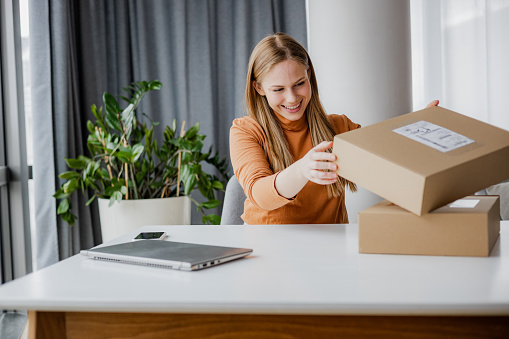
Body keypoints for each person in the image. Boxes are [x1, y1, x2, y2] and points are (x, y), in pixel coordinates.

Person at [230, 33, 438, 225]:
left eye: (299, 83)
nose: (292, 98)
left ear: (309, 75)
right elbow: (259, 194)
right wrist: (303, 169)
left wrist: (416, 131)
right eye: (278, 89)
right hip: (268, 248)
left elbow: (386, 154)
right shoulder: (246, 130)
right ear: (259, 88)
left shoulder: (339, 127)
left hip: (332, 248)